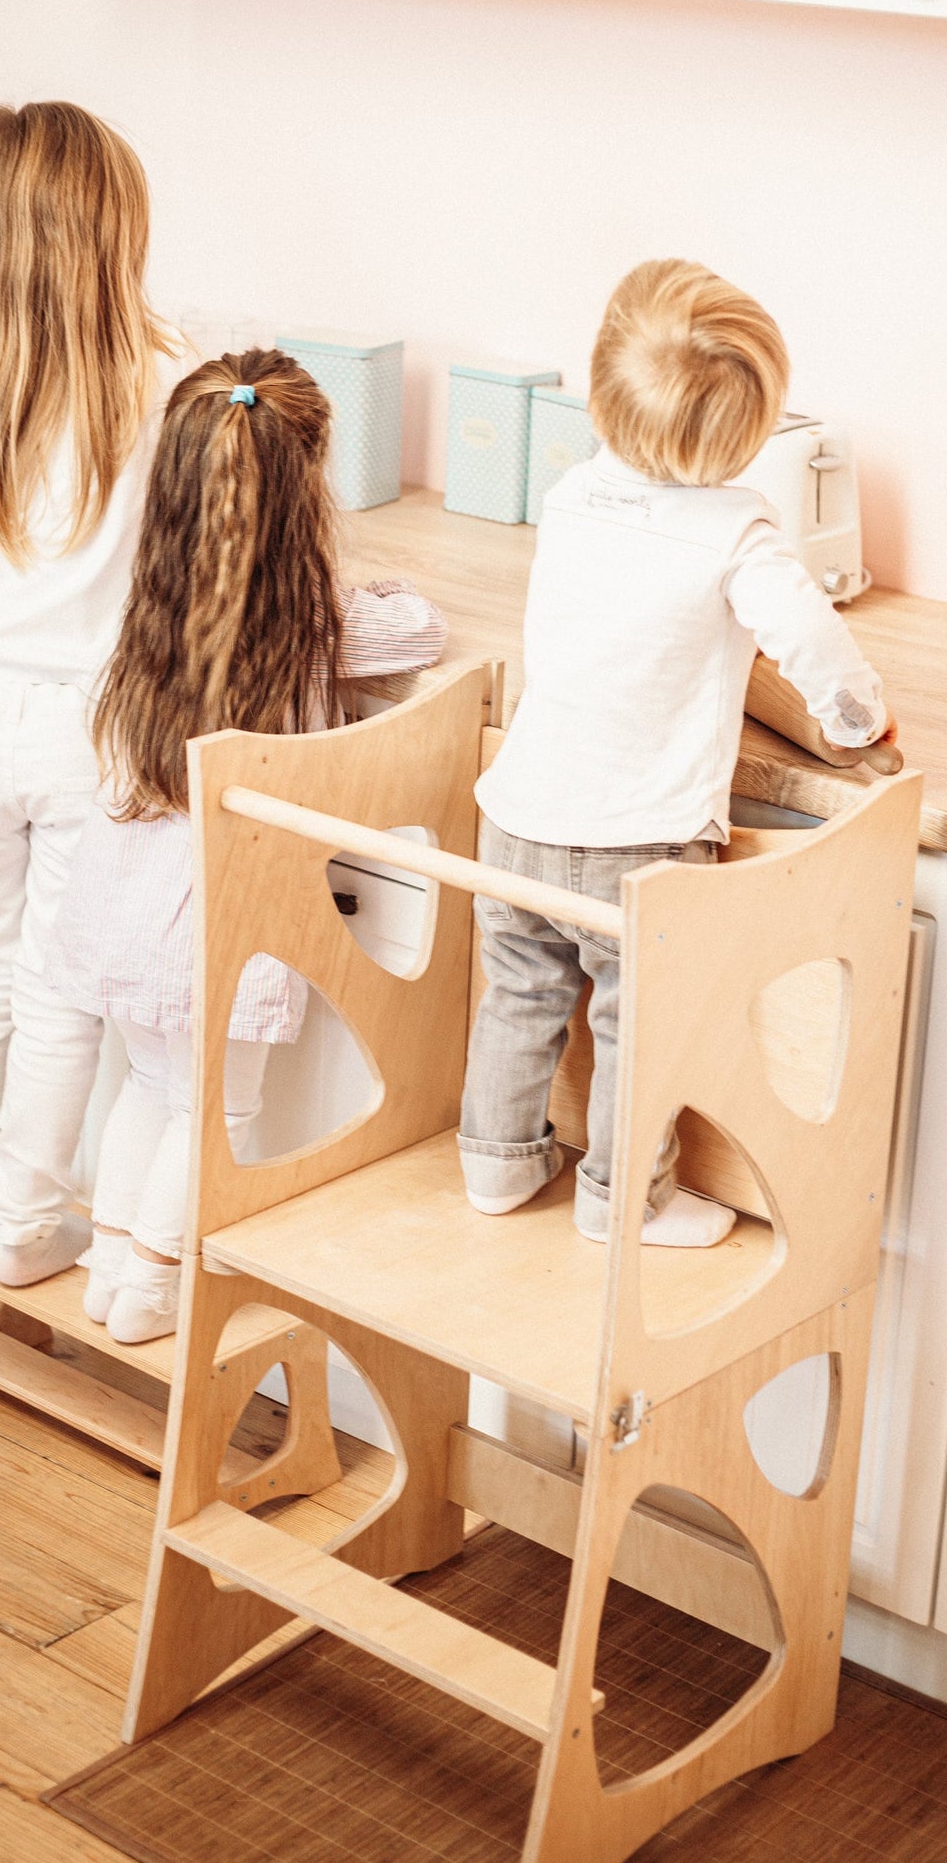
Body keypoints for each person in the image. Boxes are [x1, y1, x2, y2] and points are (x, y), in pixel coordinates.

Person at [459, 258, 897, 1249]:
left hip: (517, 811)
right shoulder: (738, 528)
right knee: (636, 1023)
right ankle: (626, 1202)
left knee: (519, 990)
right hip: (637, 840)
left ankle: (494, 1160)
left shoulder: (568, 495)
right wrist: (855, 722)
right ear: (754, 429)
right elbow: (816, 647)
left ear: (600, 397)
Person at [49, 350, 448, 1342]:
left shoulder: (141, 610)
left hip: (129, 907)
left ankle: (108, 1267)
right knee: (213, 1112)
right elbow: (422, 630)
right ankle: (149, 1285)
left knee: (150, 1085)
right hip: (222, 921)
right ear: (304, 483)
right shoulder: (313, 623)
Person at [0, 100, 176, 1284]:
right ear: (106, 236)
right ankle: (26, 1228)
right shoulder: (157, 386)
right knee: (57, 992)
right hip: (86, 728)